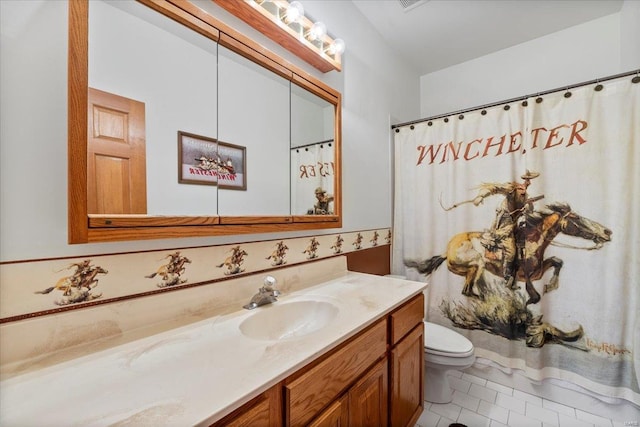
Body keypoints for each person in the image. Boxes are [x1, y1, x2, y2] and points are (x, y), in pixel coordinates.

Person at [472, 170, 541, 288]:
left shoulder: (526, 195)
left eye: (530, 180)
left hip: (515, 224)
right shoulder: (512, 189)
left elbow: (529, 210)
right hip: (504, 225)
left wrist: (529, 205)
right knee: (511, 252)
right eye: (527, 179)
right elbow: (493, 188)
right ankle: (508, 277)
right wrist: (481, 196)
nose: (528, 182)